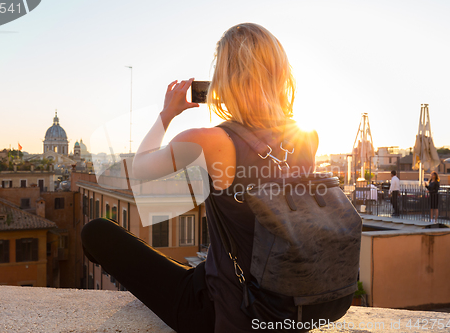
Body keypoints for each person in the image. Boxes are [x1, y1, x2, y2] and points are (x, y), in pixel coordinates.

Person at [81, 23, 347, 333]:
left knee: (96, 232)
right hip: (290, 306)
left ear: (224, 80)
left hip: (226, 308)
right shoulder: (307, 137)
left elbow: (140, 168)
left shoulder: (211, 141)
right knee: (196, 267)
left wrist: (167, 114)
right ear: (279, 75)